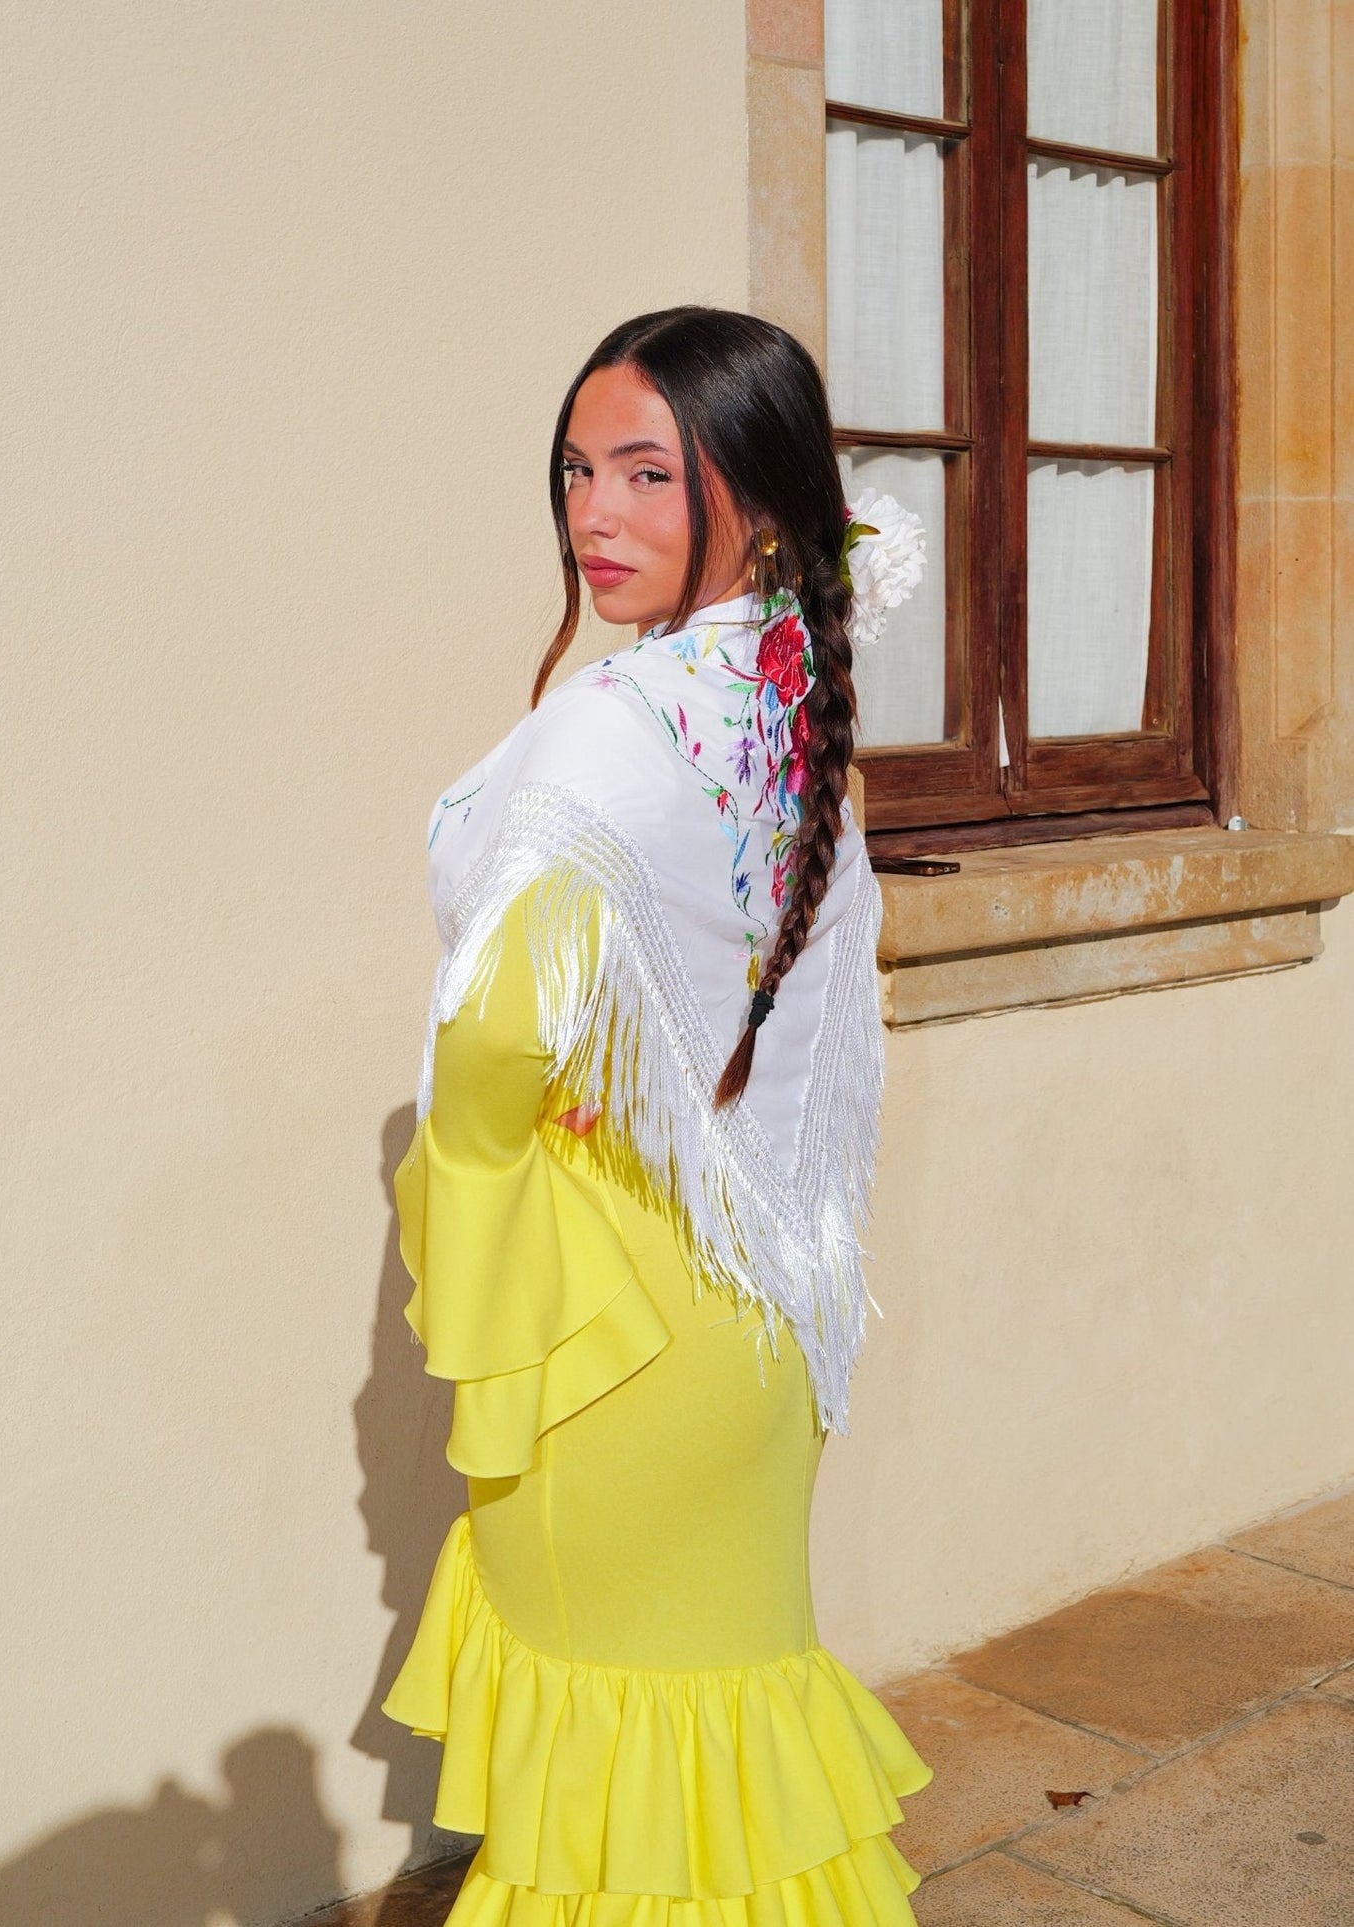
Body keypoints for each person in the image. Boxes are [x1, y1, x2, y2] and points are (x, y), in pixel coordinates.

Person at [382, 307, 933, 1926]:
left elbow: (493, 1037)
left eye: (643, 471)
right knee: (725, 1751)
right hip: (751, 1316)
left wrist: (473, 1194)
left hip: (614, 1321)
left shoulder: (622, 733)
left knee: (620, 1782)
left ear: (753, 493)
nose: (591, 516)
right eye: (574, 468)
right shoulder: (784, 688)